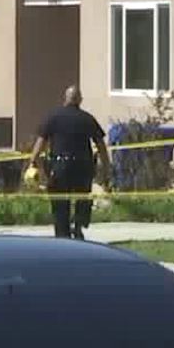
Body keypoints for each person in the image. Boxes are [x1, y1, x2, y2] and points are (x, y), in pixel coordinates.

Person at [29, 86, 110, 240]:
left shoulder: (53, 117)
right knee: (82, 199)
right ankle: (78, 226)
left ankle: (62, 234)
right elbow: (101, 145)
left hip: (60, 168)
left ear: (65, 98)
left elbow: (39, 145)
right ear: (79, 100)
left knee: (60, 203)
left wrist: (35, 163)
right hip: (82, 168)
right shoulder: (87, 118)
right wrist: (106, 167)